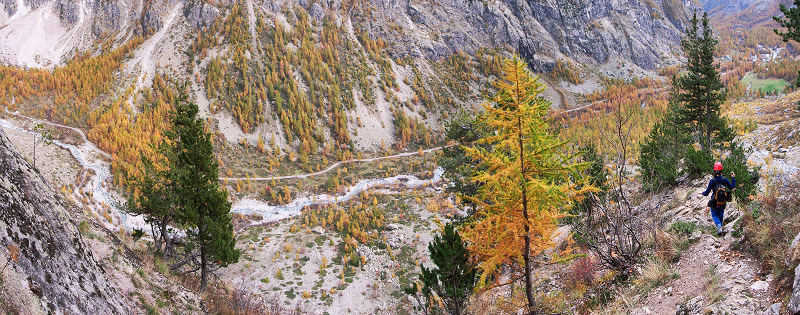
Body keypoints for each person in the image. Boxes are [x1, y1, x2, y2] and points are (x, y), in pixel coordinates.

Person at [700, 162, 736, 235]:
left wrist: (702, 193)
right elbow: (732, 188)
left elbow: (706, 193)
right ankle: (720, 227)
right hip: (723, 201)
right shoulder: (724, 180)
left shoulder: (712, 181)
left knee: (714, 215)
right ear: (721, 170)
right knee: (721, 214)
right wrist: (733, 178)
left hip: (714, 202)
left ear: (714, 171)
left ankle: (719, 225)